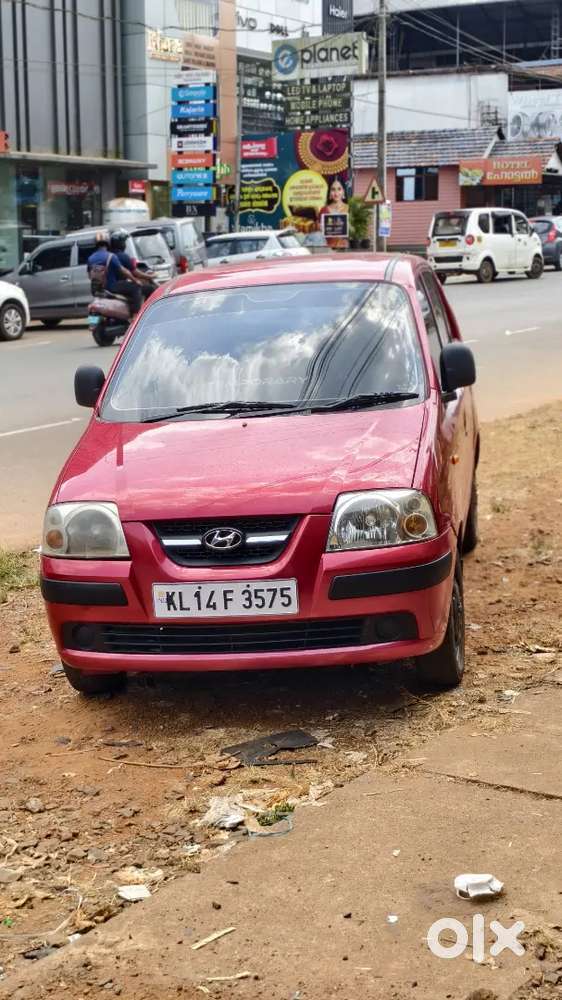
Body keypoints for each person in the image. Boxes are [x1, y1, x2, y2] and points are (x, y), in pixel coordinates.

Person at [87, 230, 142, 318]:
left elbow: (90, 275)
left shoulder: (90, 258)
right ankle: (136, 316)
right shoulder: (111, 256)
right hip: (112, 287)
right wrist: (135, 280)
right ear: (108, 243)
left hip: (97, 289)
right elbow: (124, 271)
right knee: (135, 288)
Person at [319, 176, 349, 250]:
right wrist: (320, 228)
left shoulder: (350, 209)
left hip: (347, 251)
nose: (336, 193)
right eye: (333, 189)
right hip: (328, 251)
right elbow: (320, 234)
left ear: (343, 191)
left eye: (339, 189)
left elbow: (358, 232)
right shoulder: (324, 210)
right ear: (329, 192)